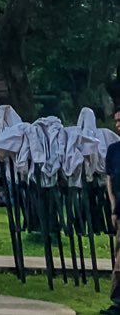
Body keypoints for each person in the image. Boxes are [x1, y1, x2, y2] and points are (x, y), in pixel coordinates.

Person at [104, 110, 120, 315]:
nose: (118, 125)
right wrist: (113, 207)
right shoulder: (114, 150)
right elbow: (110, 180)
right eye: (117, 121)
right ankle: (117, 300)